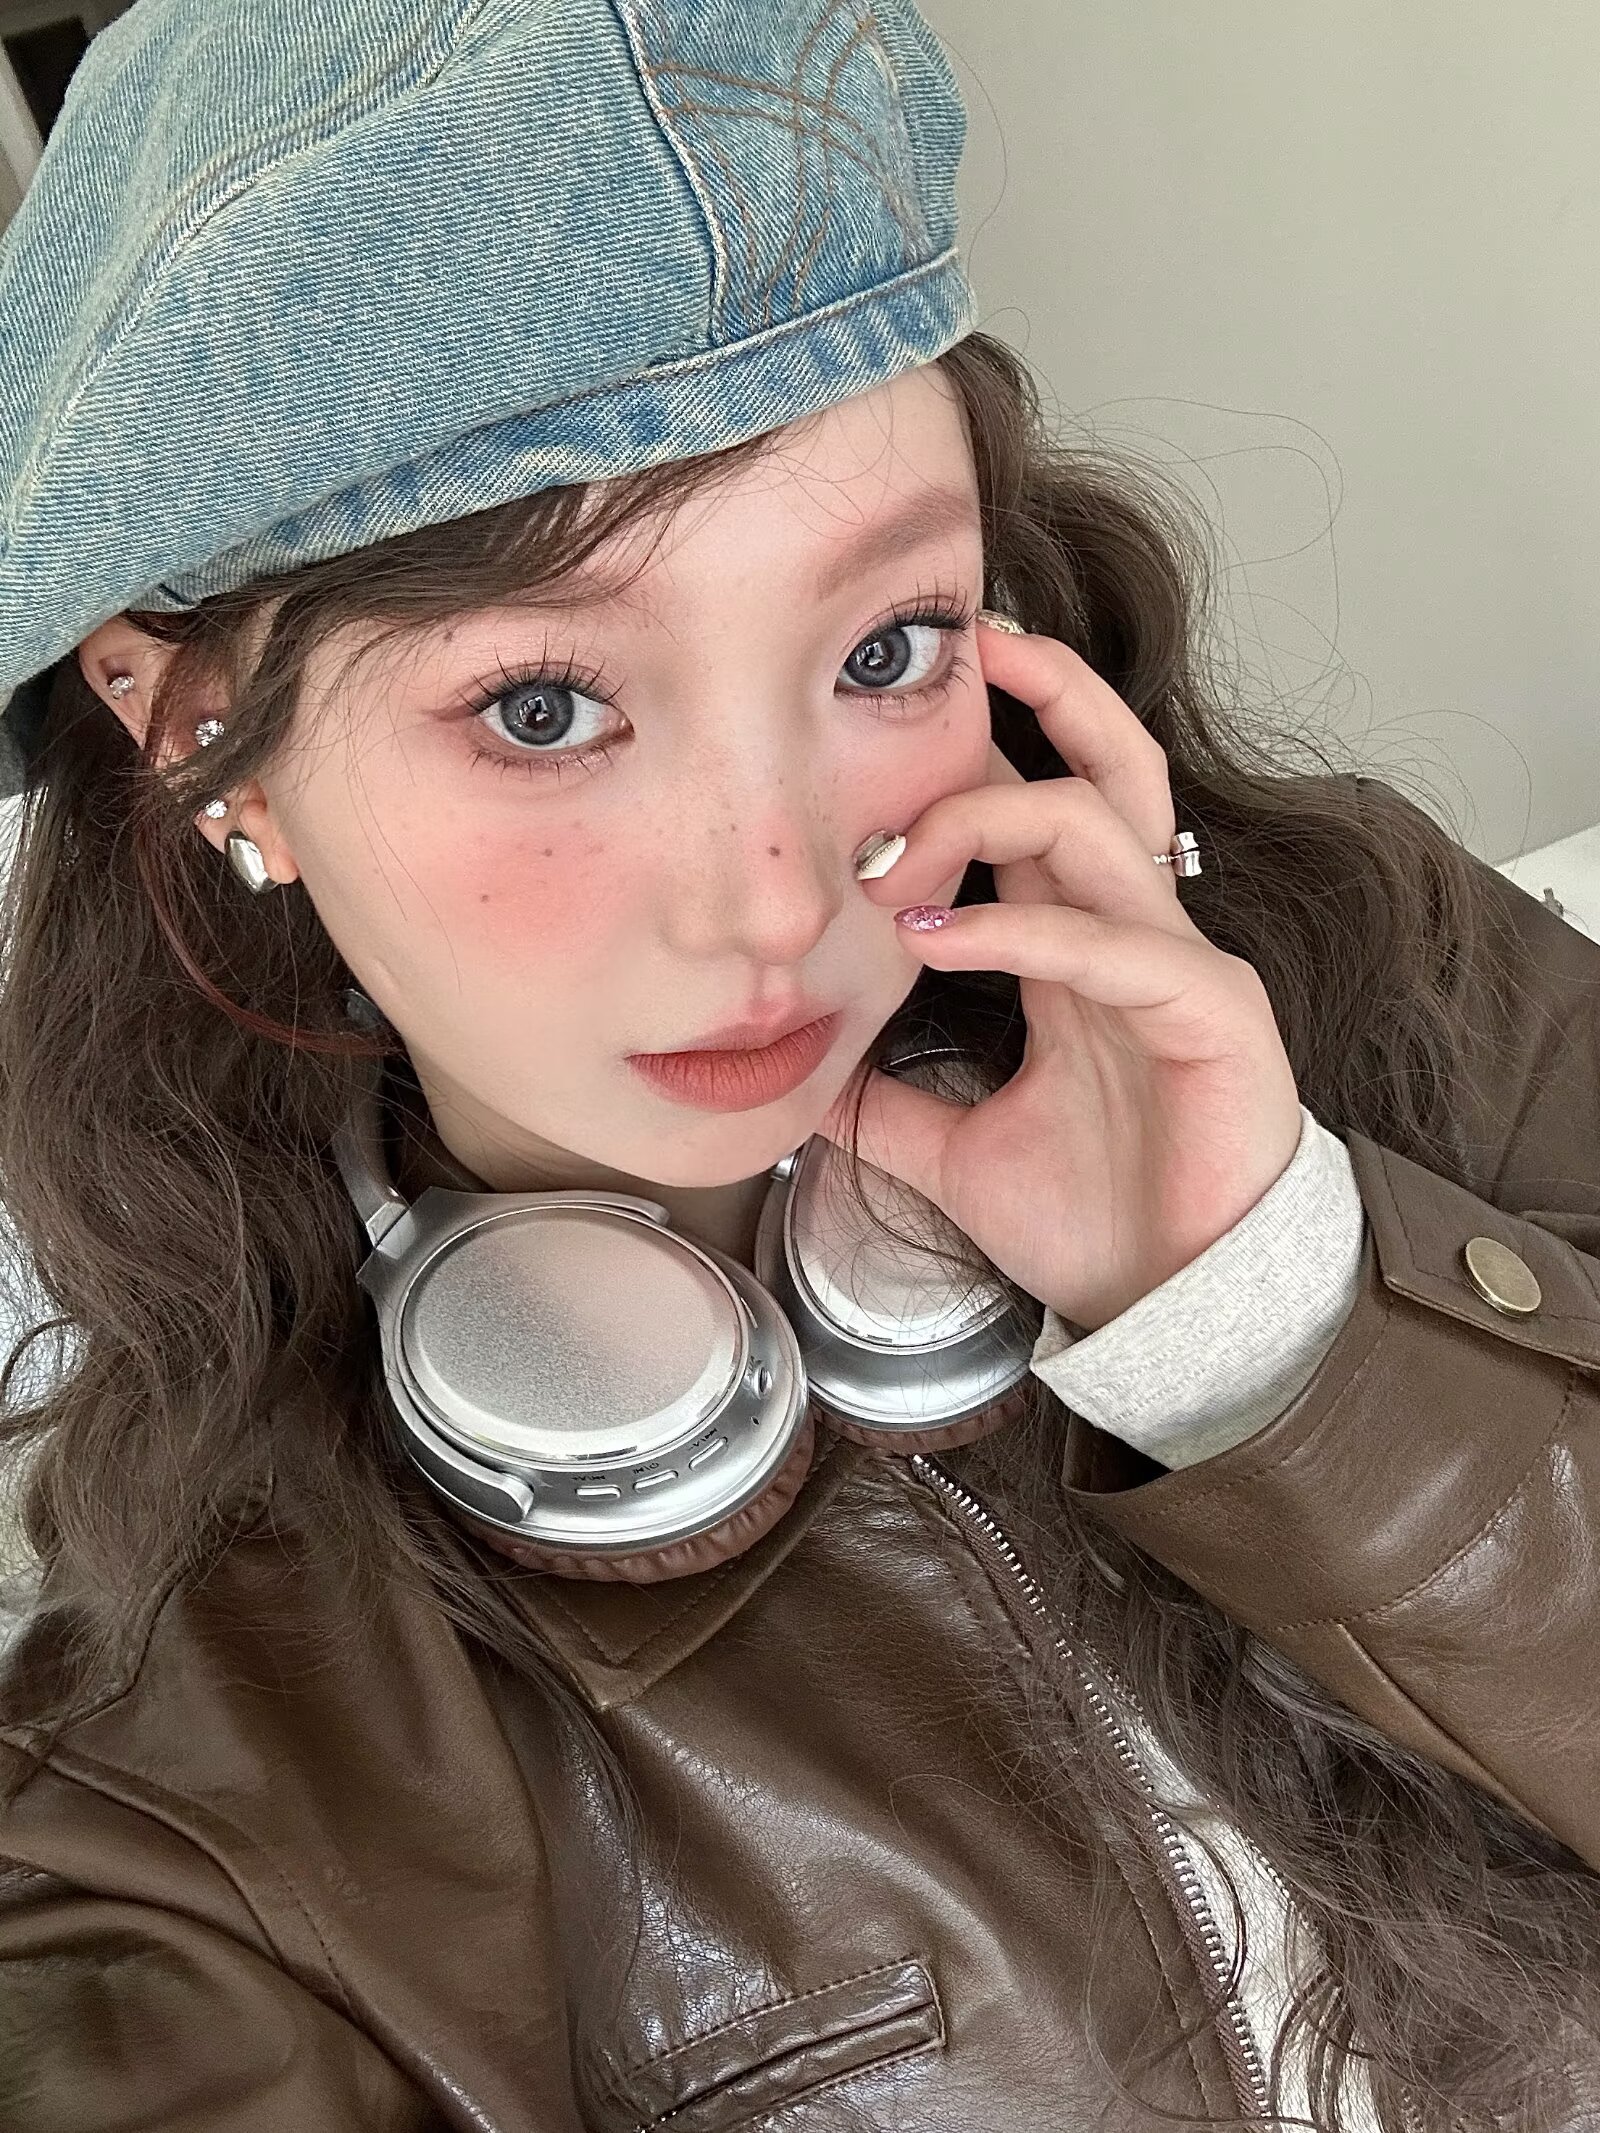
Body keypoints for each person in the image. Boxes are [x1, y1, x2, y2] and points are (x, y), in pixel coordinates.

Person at [0, 1, 1595, 2126]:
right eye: (545, 707)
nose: (770, 901)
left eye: (881, 648)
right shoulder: (205, 1799)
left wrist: (1280, 1315)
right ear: (199, 731)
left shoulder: (1390, 968)